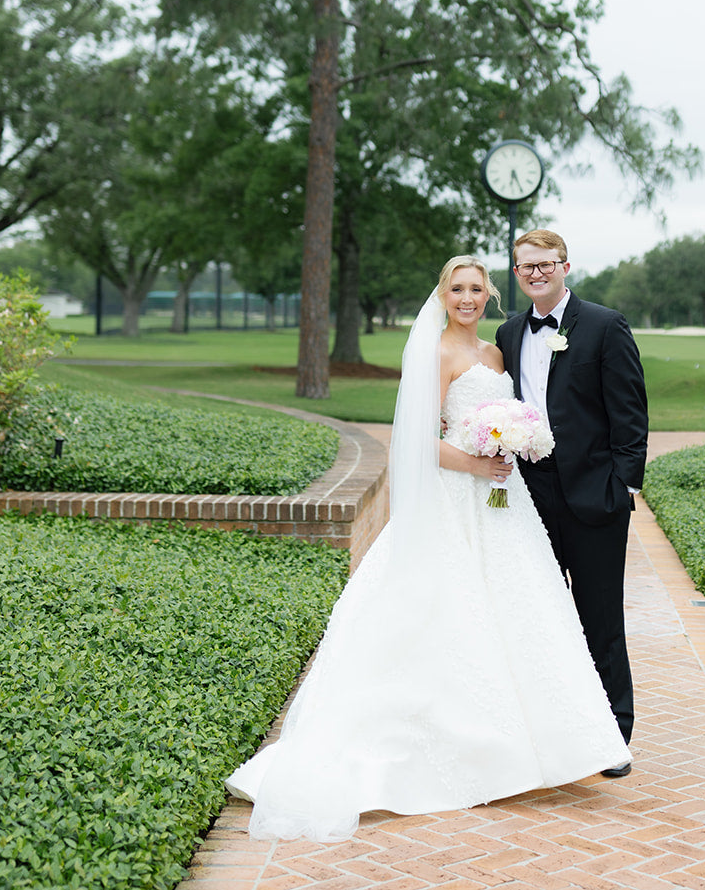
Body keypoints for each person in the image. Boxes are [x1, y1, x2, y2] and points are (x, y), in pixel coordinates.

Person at [224, 255, 629, 841]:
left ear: (489, 295)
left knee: (520, 609)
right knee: (450, 611)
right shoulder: (435, 354)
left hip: (503, 502)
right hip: (455, 496)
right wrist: (477, 462)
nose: (466, 298)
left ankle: (546, 741)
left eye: (475, 288)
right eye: (456, 288)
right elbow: (416, 439)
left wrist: (512, 444)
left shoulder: (496, 352)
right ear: (442, 294)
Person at [494, 230, 648, 774]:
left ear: (564, 266)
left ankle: (613, 738)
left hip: (594, 495)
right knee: (540, 613)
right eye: (526, 266)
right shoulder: (508, 332)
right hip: (530, 495)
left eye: (546, 264)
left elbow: (630, 413)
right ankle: (554, 731)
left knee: (600, 618)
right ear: (516, 273)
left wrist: (623, 486)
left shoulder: (605, 325)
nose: (536, 273)